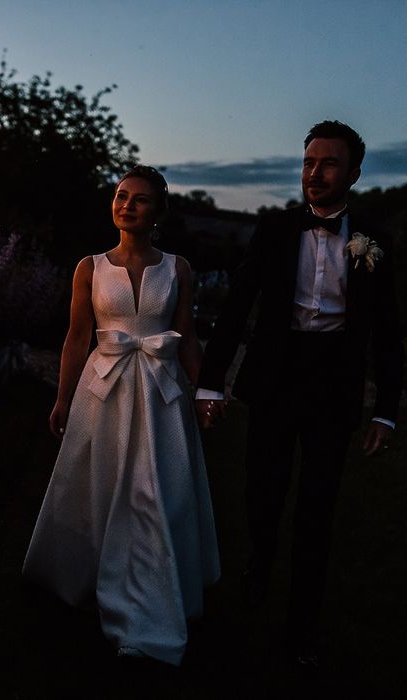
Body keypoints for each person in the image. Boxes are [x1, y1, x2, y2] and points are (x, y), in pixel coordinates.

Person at [195, 120, 403, 668]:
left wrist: (385, 412)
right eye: (309, 162)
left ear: (354, 173)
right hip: (276, 377)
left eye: (328, 163)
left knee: (318, 503)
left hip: (334, 387)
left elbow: (388, 331)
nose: (314, 173)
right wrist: (210, 382)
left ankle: (304, 619)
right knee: (262, 490)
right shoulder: (274, 230)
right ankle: (259, 563)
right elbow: (237, 307)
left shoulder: (375, 241)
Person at [23, 165, 220, 666]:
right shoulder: (90, 267)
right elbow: (75, 337)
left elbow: (188, 336)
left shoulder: (178, 268)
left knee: (157, 490)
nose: (127, 205)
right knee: (100, 482)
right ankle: (89, 577)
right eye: (121, 195)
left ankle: (153, 592)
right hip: (103, 391)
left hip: (161, 394)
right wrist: (63, 398)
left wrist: (205, 394)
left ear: (159, 212)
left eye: (140, 199)